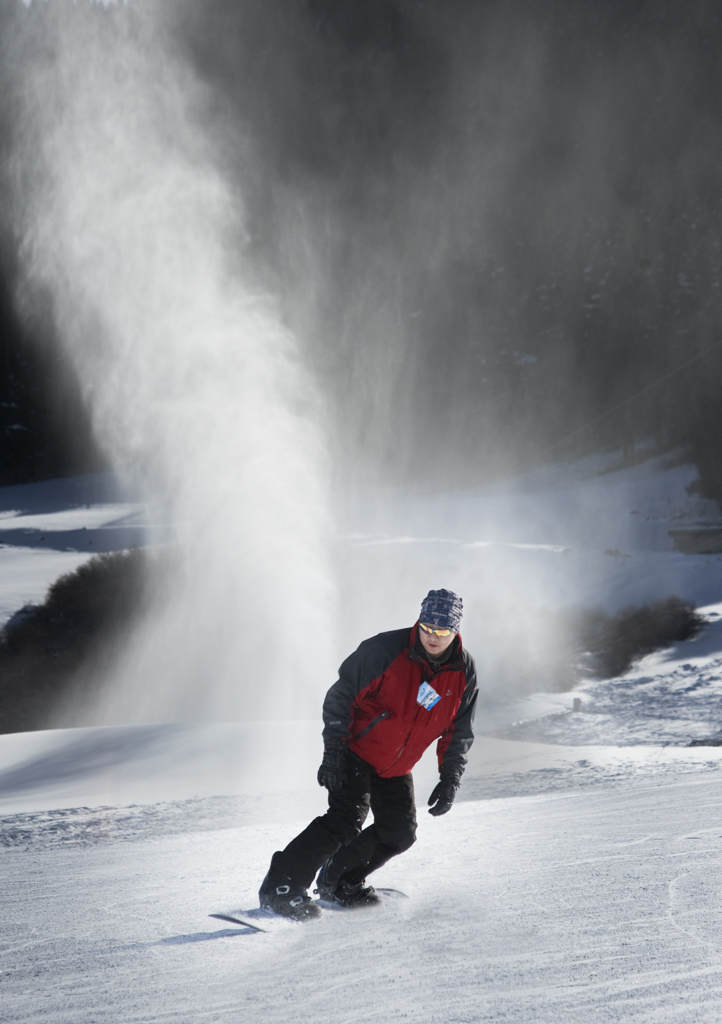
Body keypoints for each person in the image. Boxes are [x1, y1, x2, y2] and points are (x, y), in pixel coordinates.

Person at [258, 588, 478, 920]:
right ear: (419, 623)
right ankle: (281, 888)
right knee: (345, 820)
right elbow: (340, 696)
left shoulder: (463, 672)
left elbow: (458, 730)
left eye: (442, 631)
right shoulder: (385, 650)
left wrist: (450, 779)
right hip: (355, 750)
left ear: (456, 630)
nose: (433, 637)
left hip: (396, 765)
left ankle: (339, 880)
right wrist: (333, 751)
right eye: (427, 628)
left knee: (400, 833)